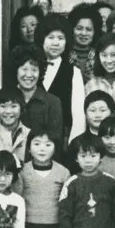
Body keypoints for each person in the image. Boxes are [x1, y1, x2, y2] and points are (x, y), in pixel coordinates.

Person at [35, 13, 86, 145]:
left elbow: (79, 116)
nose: (56, 43)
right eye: (50, 37)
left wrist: (73, 146)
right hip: (32, 139)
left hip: (62, 139)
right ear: (41, 39)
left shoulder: (73, 72)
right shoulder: (30, 69)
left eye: (61, 38)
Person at [66, 90, 115, 173]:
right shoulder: (77, 143)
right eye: (92, 110)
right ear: (85, 113)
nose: (97, 115)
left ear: (112, 113)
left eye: (102, 110)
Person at [67, 2, 103, 81]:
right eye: (79, 28)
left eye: (88, 29)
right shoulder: (64, 55)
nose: (83, 33)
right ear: (72, 29)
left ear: (95, 32)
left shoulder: (101, 56)